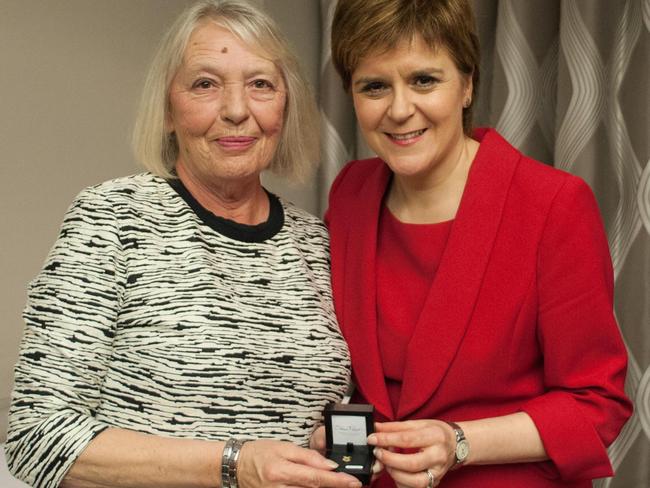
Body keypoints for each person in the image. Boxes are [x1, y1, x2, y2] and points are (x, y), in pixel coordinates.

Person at [5, 1, 361, 488]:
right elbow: (36, 437)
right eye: (205, 84)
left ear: (285, 106)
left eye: (260, 84)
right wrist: (234, 464)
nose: (236, 111)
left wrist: (334, 448)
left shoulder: (319, 242)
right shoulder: (113, 216)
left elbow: (342, 414)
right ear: (169, 110)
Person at [323, 0, 633, 487]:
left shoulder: (553, 203)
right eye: (375, 86)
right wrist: (336, 437)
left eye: (424, 80)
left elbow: (596, 402)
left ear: (467, 85)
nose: (400, 109)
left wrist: (459, 442)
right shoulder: (350, 194)